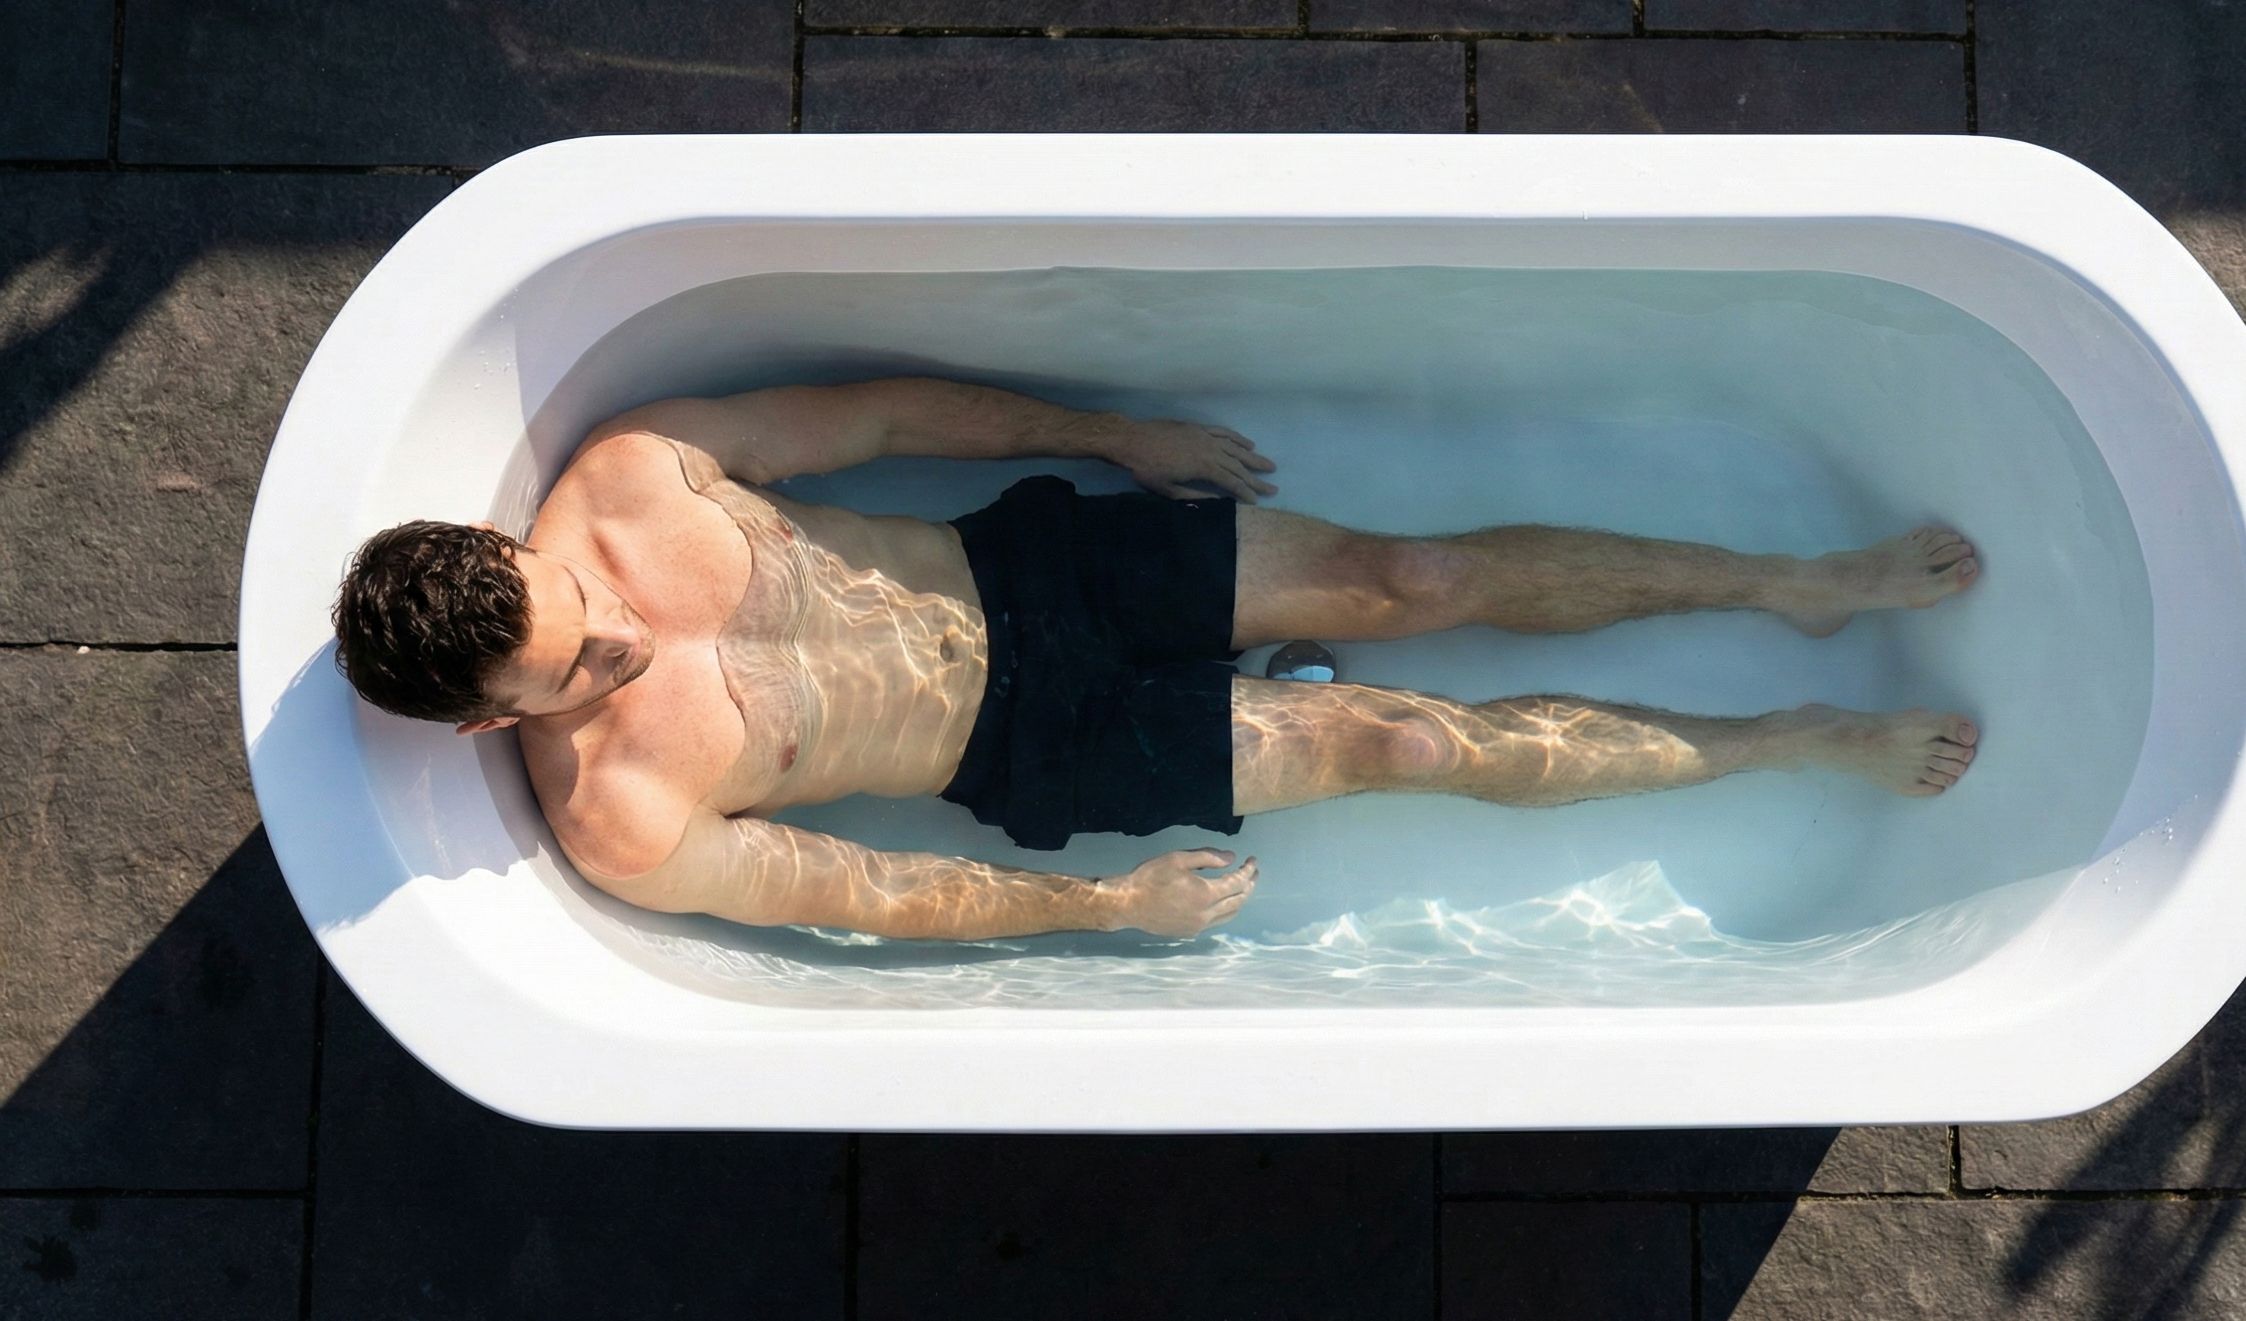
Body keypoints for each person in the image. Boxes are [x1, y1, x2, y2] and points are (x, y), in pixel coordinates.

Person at [332, 379, 1979, 941]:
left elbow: (888, 417)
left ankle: (1802, 579)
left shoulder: (632, 481)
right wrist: (1091, 909)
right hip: (1031, 752)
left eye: (575, 604)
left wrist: (1111, 435)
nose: (617, 634)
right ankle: (1796, 739)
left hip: (1030, 564)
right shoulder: (619, 818)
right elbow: (860, 889)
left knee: (1415, 574)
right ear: (492, 723)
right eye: (571, 670)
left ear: (523, 555)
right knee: (1419, 748)